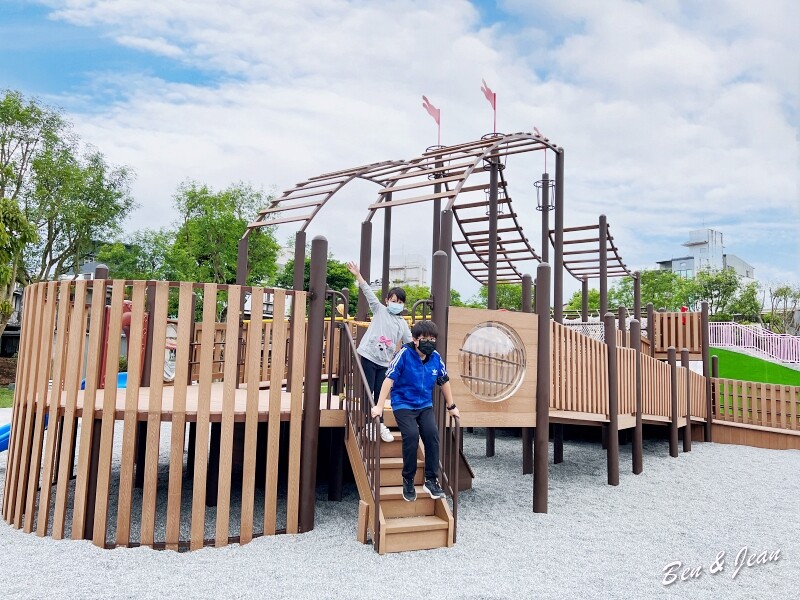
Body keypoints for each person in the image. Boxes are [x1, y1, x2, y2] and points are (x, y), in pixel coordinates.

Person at [371, 320, 460, 502]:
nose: (429, 342)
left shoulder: (435, 356)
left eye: (433, 339)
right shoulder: (404, 354)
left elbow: (444, 380)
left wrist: (451, 406)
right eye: (424, 338)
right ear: (415, 339)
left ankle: (431, 480)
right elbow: (389, 379)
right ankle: (408, 480)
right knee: (411, 436)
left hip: (424, 404)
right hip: (403, 404)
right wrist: (379, 406)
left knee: (432, 436)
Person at [346, 261, 413, 443]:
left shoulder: (402, 323)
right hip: (368, 355)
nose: (396, 304)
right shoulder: (380, 310)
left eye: (399, 302)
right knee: (368, 390)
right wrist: (357, 275)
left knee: (380, 392)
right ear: (387, 301)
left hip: (385, 362)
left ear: (403, 304)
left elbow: (410, 343)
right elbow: (368, 292)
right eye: (393, 301)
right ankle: (373, 424)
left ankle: (378, 424)